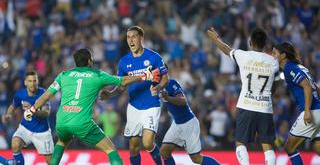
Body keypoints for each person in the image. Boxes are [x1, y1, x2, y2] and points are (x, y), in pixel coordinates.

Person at [24, 48, 160, 165]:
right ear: (89, 61)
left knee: (62, 141)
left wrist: (32, 109)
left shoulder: (64, 75)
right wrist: (145, 76)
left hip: (62, 121)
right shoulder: (97, 75)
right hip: (82, 122)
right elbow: (123, 80)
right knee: (110, 149)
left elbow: (46, 95)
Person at [207, 27, 280, 165]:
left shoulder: (243, 55)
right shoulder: (273, 62)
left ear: (250, 42)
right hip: (265, 108)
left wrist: (215, 39)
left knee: (240, 144)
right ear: (265, 44)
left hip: (246, 105)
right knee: (267, 146)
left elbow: (226, 49)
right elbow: (274, 87)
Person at [100, 26, 169, 165]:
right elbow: (121, 86)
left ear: (141, 38)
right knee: (133, 147)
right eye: (128, 37)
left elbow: (165, 78)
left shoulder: (154, 57)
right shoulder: (124, 62)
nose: (131, 40)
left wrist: (159, 87)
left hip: (151, 104)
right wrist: (111, 94)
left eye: (134, 37)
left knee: (148, 143)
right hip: (134, 106)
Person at [272, 42, 320, 165]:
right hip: (318, 110)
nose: (272, 55)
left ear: (283, 55)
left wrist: (308, 111)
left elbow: (307, 87)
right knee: (318, 147)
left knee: (289, 147)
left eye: (274, 53)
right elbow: (316, 87)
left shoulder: (289, 68)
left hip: (311, 112)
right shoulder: (300, 67)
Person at [157, 77, 220, 165]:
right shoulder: (156, 86)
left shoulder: (171, 83)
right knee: (164, 152)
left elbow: (183, 101)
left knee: (196, 158)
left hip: (189, 123)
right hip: (177, 123)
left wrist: (168, 98)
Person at [0, 70, 53, 165]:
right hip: (25, 128)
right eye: (29, 81)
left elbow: (46, 113)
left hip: (42, 132)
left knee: (51, 162)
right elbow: (13, 106)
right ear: (25, 82)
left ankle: (11, 163)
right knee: (15, 143)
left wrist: (33, 110)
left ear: (37, 82)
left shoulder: (43, 94)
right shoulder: (20, 94)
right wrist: (8, 115)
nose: (32, 83)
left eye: (34, 81)